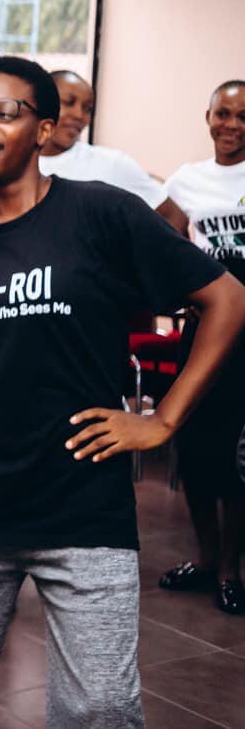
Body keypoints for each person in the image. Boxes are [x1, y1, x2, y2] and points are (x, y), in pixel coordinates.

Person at [0, 56, 245, 728]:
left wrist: (163, 420)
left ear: (44, 131)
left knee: (102, 709)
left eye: (4, 113)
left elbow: (227, 299)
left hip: (84, 512)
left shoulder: (101, 214)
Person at [157, 78, 245, 616]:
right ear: (208, 117)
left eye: (243, 116)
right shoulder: (188, 179)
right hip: (207, 328)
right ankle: (207, 559)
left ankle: (232, 568)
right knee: (193, 446)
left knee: (236, 454)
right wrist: (180, 293)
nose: (232, 125)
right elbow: (157, 242)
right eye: (223, 114)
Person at [0, 70, 186, 231]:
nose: (79, 115)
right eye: (69, 102)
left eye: (88, 108)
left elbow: (174, 218)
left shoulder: (112, 164)